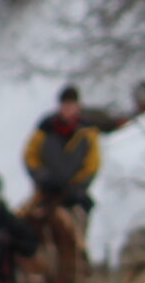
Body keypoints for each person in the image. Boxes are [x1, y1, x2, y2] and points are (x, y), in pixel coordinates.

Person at [23, 85, 101, 222]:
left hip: (74, 195)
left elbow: (92, 164)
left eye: (71, 105)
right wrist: (43, 177)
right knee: (26, 219)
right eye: (65, 105)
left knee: (78, 222)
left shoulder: (88, 132)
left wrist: (76, 185)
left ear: (78, 107)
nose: (68, 109)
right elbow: (30, 156)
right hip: (46, 192)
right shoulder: (45, 129)